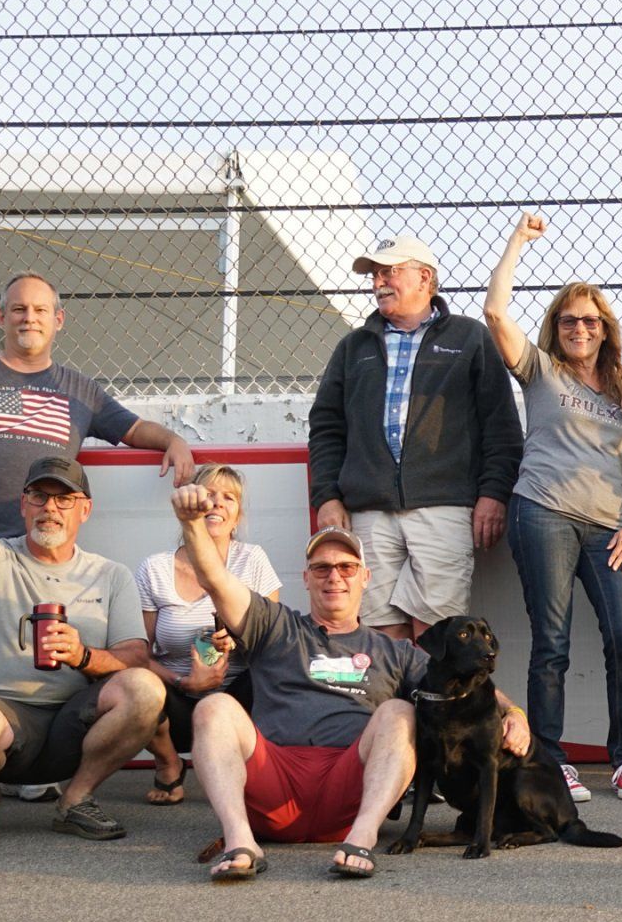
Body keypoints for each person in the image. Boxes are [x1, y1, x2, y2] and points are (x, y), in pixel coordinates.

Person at [174, 494, 527, 881]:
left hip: (349, 787)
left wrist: (513, 712)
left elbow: (465, 682)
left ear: (365, 576)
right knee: (214, 707)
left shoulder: (394, 651)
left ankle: (362, 839)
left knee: (399, 712)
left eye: (346, 566)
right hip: (273, 779)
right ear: (305, 578)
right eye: (321, 568)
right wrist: (192, 525)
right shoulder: (275, 626)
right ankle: (240, 841)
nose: (334, 576)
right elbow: (215, 579)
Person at [0, 403, 164, 846]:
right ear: (23, 504)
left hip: (75, 719)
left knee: (145, 689)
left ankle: (76, 799)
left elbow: (136, 656)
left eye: (64, 498)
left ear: (84, 510)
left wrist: (84, 655)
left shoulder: (111, 574)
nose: (51, 508)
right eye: (40, 497)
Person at [485, 213, 622, 803]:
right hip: (544, 513)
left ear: (605, 329)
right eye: (568, 319)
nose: (580, 327)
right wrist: (517, 244)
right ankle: (553, 761)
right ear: (556, 328)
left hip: (612, 528)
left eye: (590, 320)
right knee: (552, 641)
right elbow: (497, 315)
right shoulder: (541, 369)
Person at [307, 234, 523, 639]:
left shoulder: (469, 338)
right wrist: (327, 496)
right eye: (374, 274)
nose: (377, 282)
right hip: (367, 511)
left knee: (436, 635)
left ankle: (428, 705)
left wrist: (494, 494)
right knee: (375, 634)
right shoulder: (353, 347)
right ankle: (390, 707)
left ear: (424, 277)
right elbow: (326, 428)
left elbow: (502, 425)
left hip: (444, 506)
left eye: (389, 272)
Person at [0, 272, 196, 541]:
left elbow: (134, 429)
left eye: (40, 310)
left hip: (38, 547)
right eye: (19, 309)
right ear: (1, 316)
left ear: (58, 320)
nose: (30, 318)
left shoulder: (82, 390)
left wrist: (173, 440)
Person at [133, 464, 281, 806]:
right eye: (208, 495)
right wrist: (184, 682)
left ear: (237, 516)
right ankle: (170, 761)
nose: (217, 503)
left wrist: (238, 639)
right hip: (177, 698)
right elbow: (138, 652)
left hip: (236, 696)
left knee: (274, 674)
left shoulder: (253, 560)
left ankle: (257, 764)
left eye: (228, 498)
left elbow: (273, 641)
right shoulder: (154, 568)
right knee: (130, 680)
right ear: (188, 507)